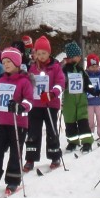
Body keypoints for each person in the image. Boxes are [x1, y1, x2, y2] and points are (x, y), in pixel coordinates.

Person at [0, 47, 35, 195]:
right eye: (4, 61)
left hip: (18, 123)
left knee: (15, 153)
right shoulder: (1, 80)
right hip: (1, 122)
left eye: (9, 61)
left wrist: (20, 106)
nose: (6, 64)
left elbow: (30, 102)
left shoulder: (24, 81)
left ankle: (13, 180)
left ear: (17, 63)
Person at [24, 35, 64, 171]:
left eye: (44, 53)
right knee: (33, 131)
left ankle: (54, 155)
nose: (41, 56)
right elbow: (27, 84)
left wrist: (52, 93)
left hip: (50, 105)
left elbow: (60, 83)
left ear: (49, 53)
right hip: (35, 105)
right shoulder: (32, 68)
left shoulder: (55, 67)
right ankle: (30, 158)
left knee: (52, 130)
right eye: (38, 53)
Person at [61, 42, 94, 152]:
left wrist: (92, 90)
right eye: (78, 55)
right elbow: (61, 82)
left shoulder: (80, 70)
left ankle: (86, 142)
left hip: (81, 99)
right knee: (69, 121)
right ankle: (72, 141)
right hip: (69, 100)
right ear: (72, 56)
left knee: (83, 120)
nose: (80, 57)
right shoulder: (64, 69)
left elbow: (87, 82)